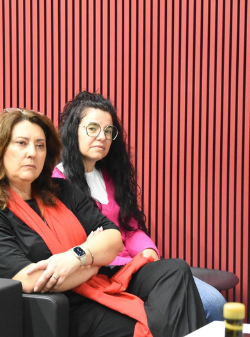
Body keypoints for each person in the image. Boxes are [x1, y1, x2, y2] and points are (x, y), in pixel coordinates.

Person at [0, 109, 205, 337]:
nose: (32, 153)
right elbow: (31, 280)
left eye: (40, 145)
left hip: (98, 281)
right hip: (63, 311)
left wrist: (78, 256)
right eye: (21, 144)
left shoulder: (60, 191)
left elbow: (113, 238)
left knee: (174, 270)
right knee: (169, 323)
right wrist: (93, 262)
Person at [53, 91, 225, 322]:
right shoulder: (57, 182)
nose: (102, 137)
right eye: (92, 128)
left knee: (216, 305)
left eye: (108, 131)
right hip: (104, 274)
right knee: (211, 306)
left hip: (138, 267)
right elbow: (77, 246)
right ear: (74, 130)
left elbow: (130, 228)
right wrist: (137, 263)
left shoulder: (110, 178)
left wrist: (149, 252)